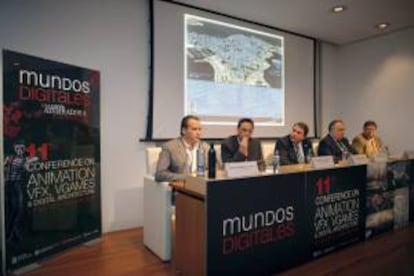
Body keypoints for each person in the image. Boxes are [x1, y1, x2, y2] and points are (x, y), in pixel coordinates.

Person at [155, 115, 210, 182]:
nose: (198, 133)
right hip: (181, 187)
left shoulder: (205, 147)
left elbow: (215, 170)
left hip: (202, 185)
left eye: (200, 129)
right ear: (184, 131)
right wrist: (186, 177)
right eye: (194, 129)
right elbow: (160, 174)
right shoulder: (170, 147)